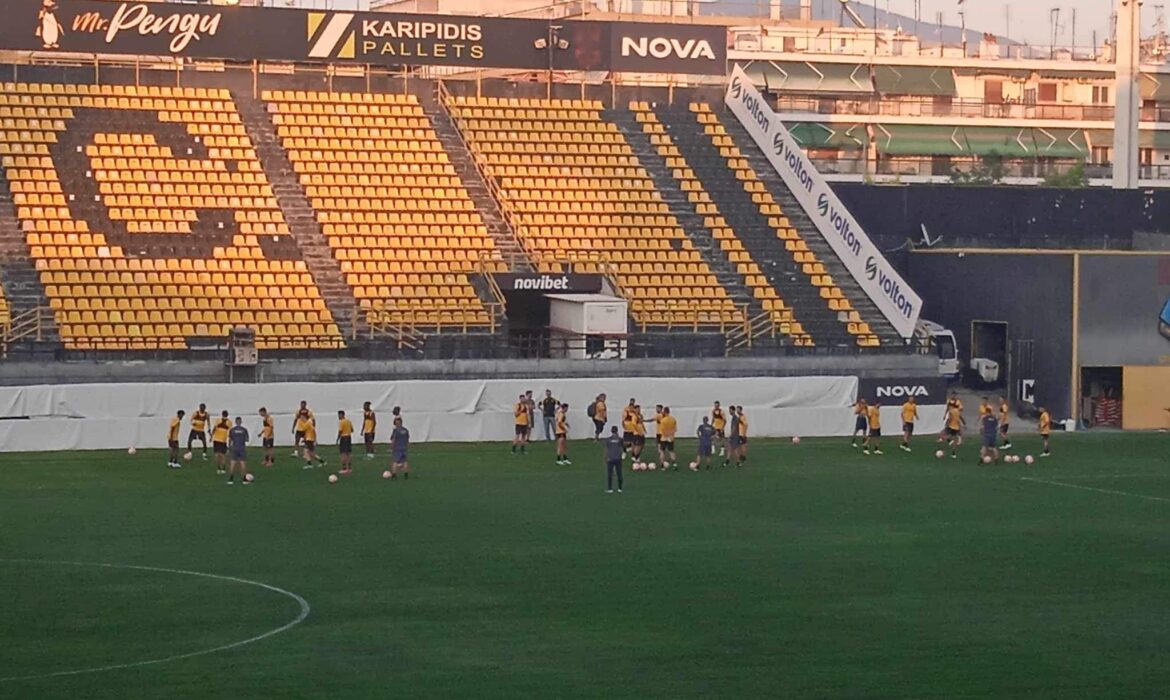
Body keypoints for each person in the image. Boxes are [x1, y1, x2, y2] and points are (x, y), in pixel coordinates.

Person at [227, 416, 249, 484]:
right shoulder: (244, 430)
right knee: (243, 463)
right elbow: (247, 439)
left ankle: (231, 479)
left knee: (232, 463)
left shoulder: (232, 430)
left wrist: (229, 447)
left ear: (235, 422)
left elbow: (230, 439)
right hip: (242, 448)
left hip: (234, 447)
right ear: (241, 422)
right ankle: (244, 479)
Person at [603, 426, 624, 494]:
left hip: (610, 458)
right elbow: (623, 448)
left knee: (610, 474)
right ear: (617, 431)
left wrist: (605, 457)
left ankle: (610, 489)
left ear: (611, 431)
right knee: (619, 473)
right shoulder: (620, 439)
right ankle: (620, 488)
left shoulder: (608, 439)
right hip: (618, 458)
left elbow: (606, 449)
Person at [211, 410, 231, 475]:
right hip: (223, 440)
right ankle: (223, 469)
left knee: (217, 454)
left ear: (222, 414)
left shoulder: (218, 420)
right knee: (223, 455)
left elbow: (214, 428)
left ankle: (219, 468)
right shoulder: (229, 422)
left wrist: (211, 436)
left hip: (216, 439)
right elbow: (230, 432)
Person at [337, 410, 354, 475]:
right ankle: (349, 467)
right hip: (349, 437)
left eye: (339, 415)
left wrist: (338, 438)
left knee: (343, 453)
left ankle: (345, 469)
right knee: (348, 453)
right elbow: (352, 430)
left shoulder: (341, 422)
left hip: (344, 437)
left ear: (342, 415)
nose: (338, 416)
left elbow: (340, 431)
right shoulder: (349, 421)